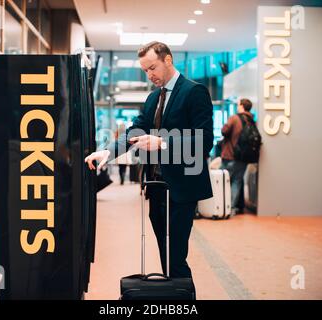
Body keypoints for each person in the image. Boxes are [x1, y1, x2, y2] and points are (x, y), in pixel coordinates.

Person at [85, 41, 213, 279]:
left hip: (181, 189)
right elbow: (135, 132)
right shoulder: (153, 98)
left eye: (152, 68)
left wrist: (162, 143)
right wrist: (108, 151)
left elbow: (204, 140)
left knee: (175, 258)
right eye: (145, 70)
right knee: (166, 256)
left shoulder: (194, 92)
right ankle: (174, 296)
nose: (149, 75)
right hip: (156, 188)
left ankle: (184, 300)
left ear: (168, 60)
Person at [220, 98, 254, 215]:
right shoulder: (251, 120)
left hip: (230, 156)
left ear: (241, 106)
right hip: (244, 158)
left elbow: (224, 131)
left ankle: (221, 207)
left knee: (223, 181)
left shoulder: (234, 118)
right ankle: (231, 208)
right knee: (237, 182)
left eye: (239, 104)